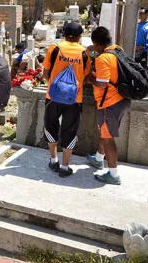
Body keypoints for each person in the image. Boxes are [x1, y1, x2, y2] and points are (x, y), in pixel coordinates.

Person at [42, 22, 89, 177]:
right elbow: (85, 76)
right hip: (74, 99)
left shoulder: (54, 48)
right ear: (79, 37)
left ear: (63, 34)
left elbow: (46, 73)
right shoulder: (84, 53)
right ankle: (65, 166)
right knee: (70, 130)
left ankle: (53, 160)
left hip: (52, 96)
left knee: (51, 126)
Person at [88, 26, 129, 185]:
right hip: (122, 99)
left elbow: (102, 84)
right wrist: (92, 52)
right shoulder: (117, 50)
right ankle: (98, 159)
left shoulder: (103, 59)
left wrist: (89, 78)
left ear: (97, 44)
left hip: (109, 103)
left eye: (94, 46)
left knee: (108, 138)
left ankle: (113, 174)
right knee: (104, 132)